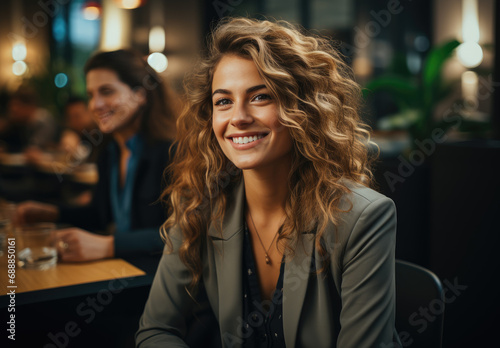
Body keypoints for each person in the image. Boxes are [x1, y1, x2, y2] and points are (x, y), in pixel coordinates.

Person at [136, 18, 398, 348]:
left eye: (261, 97)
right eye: (223, 101)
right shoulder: (201, 206)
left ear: (304, 109)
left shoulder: (363, 217)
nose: (238, 117)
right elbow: (155, 331)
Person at [14, 49, 178, 262]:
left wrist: (108, 245)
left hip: (155, 276)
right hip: (121, 267)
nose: (95, 105)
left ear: (140, 95)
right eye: (91, 95)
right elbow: (100, 215)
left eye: (107, 91)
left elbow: (183, 236)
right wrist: (51, 213)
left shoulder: (173, 152)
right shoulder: (109, 151)